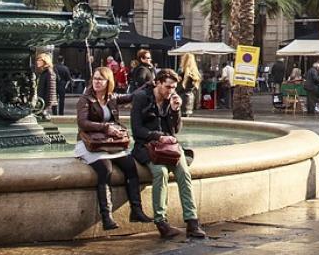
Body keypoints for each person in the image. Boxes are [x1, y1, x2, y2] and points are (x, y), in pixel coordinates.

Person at [131, 68, 206, 239]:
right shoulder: (141, 97)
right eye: (167, 87)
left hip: (169, 148)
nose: (170, 91)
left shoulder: (170, 100)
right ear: (157, 83)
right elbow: (136, 130)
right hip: (148, 147)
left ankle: (192, 222)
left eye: (173, 87)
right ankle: (161, 222)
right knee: (160, 172)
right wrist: (158, 136)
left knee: (184, 173)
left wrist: (175, 110)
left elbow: (176, 130)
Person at [75, 66, 153, 230]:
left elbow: (131, 96)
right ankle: (107, 217)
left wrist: (149, 85)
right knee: (105, 170)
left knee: (131, 168)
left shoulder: (111, 98)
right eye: (95, 78)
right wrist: (105, 127)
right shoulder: (85, 99)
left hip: (110, 143)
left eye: (100, 79)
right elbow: (82, 123)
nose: (97, 82)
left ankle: (136, 211)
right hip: (92, 144)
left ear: (108, 82)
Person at [178, 52, 202, 116]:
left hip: (183, 97)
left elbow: (181, 86)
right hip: (190, 97)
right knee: (187, 115)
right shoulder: (195, 72)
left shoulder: (184, 71)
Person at [35, 52, 57, 120]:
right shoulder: (43, 72)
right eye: (37, 60)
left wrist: (47, 105)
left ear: (45, 61)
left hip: (44, 102)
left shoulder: (49, 72)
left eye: (39, 60)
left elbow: (51, 90)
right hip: (41, 101)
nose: (37, 62)